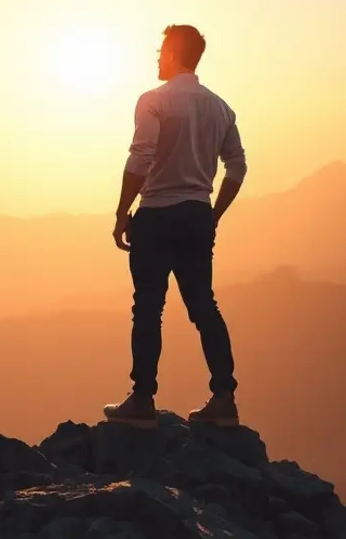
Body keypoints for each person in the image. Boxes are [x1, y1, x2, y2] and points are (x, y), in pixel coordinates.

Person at [103, 24, 247, 428]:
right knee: (204, 306)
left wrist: (121, 213)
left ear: (173, 52)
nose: (157, 57)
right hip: (198, 215)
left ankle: (142, 399)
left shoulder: (153, 101)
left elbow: (141, 156)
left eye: (161, 49)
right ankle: (224, 398)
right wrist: (213, 213)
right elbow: (238, 166)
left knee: (148, 308)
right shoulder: (220, 107)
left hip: (157, 214)